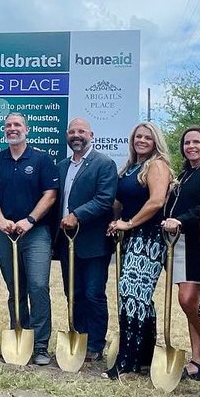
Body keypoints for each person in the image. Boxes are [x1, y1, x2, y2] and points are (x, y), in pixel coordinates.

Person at [0, 113, 59, 366]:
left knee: (38, 287)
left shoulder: (42, 159)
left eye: (17, 125)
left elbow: (50, 195)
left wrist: (30, 220)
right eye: (8, 126)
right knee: (16, 288)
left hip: (35, 233)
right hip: (6, 233)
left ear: (26, 128)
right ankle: (19, 335)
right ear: (4, 131)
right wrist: (1, 221)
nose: (12, 129)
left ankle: (40, 346)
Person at [105, 122, 172, 379]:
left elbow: (156, 201)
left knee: (132, 296)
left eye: (147, 137)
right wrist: (115, 219)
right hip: (131, 236)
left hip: (149, 237)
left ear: (156, 141)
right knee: (137, 298)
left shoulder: (156, 165)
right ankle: (144, 357)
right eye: (137, 137)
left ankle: (128, 361)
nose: (142, 140)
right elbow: (122, 201)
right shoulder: (132, 167)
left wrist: (129, 223)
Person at [56, 117, 118, 362]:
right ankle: (78, 337)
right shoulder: (61, 166)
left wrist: (77, 215)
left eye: (81, 131)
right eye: (71, 131)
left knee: (93, 293)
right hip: (65, 241)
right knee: (73, 292)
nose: (76, 135)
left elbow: (104, 199)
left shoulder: (104, 163)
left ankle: (95, 344)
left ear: (91, 134)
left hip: (92, 241)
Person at [161, 126, 200, 378]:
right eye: (186, 143)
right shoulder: (185, 174)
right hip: (177, 243)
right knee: (190, 304)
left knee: (188, 299)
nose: (191, 146)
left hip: (197, 240)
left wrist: (180, 219)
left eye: (196, 142)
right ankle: (197, 361)